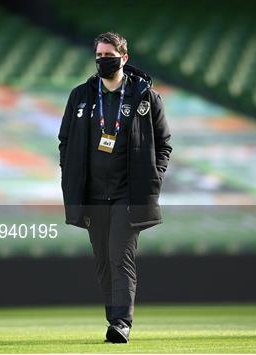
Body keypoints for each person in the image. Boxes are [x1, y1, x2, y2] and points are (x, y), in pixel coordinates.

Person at [58, 32, 172, 343]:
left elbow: (163, 145)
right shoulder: (80, 96)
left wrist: (154, 177)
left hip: (128, 193)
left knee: (120, 254)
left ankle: (122, 322)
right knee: (103, 261)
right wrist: (68, 173)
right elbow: (64, 141)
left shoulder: (146, 98)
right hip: (92, 194)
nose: (102, 61)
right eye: (99, 56)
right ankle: (114, 320)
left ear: (124, 58)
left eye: (109, 56)